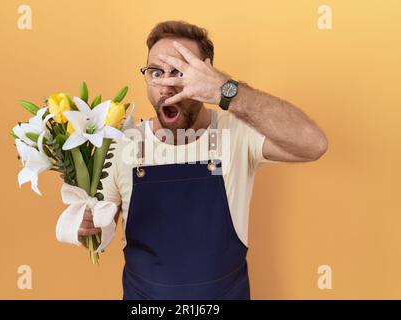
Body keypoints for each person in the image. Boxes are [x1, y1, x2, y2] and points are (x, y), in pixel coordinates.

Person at [78, 20, 328, 300]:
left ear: (205, 76)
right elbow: (99, 227)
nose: (167, 86)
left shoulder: (236, 133)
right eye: (156, 72)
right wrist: (88, 226)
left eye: (181, 72)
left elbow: (313, 144)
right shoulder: (122, 143)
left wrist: (226, 89)